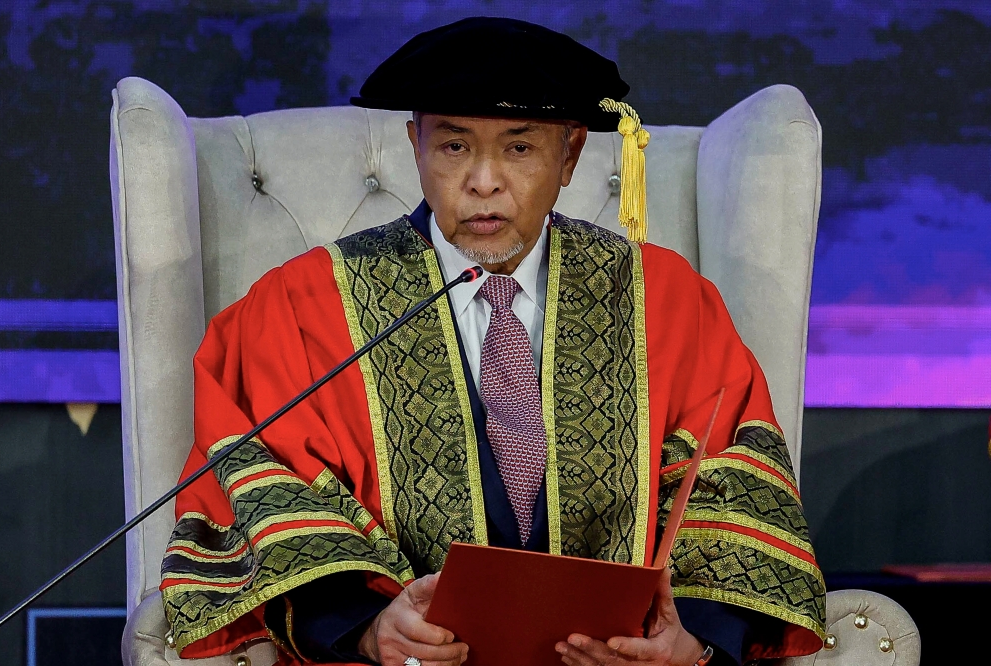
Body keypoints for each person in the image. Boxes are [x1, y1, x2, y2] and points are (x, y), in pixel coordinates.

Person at [159, 17, 826, 666]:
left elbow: (733, 477)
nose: (483, 182)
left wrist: (693, 639)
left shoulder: (663, 299)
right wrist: (366, 628)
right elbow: (261, 481)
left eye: (518, 147)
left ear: (570, 154)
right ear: (414, 143)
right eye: (453, 147)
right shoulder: (304, 305)